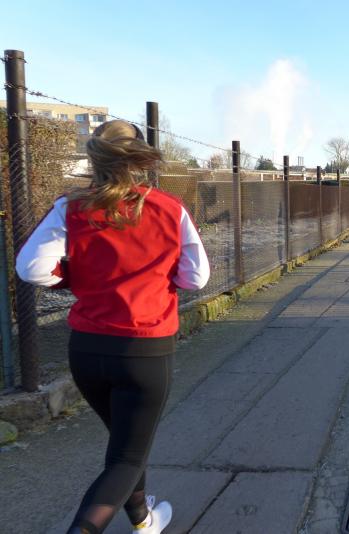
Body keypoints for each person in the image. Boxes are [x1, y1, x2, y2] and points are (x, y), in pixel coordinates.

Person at [16, 120, 210, 534]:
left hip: (87, 350)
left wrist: (72, 277)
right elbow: (196, 278)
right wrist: (159, 279)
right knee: (127, 456)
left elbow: (31, 268)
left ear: (94, 156)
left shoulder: (70, 206)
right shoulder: (168, 207)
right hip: (145, 349)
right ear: (139, 158)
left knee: (125, 446)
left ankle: (142, 520)